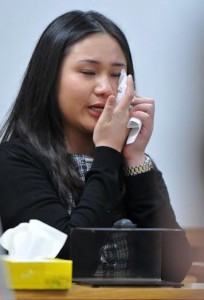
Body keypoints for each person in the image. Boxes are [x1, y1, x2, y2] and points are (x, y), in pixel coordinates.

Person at [0, 10, 192, 282]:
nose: (106, 88)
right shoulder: (15, 159)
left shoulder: (132, 164)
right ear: (49, 78)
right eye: (88, 72)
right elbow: (69, 261)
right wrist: (108, 153)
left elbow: (176, 267)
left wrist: (134, 158)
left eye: (117, 74)